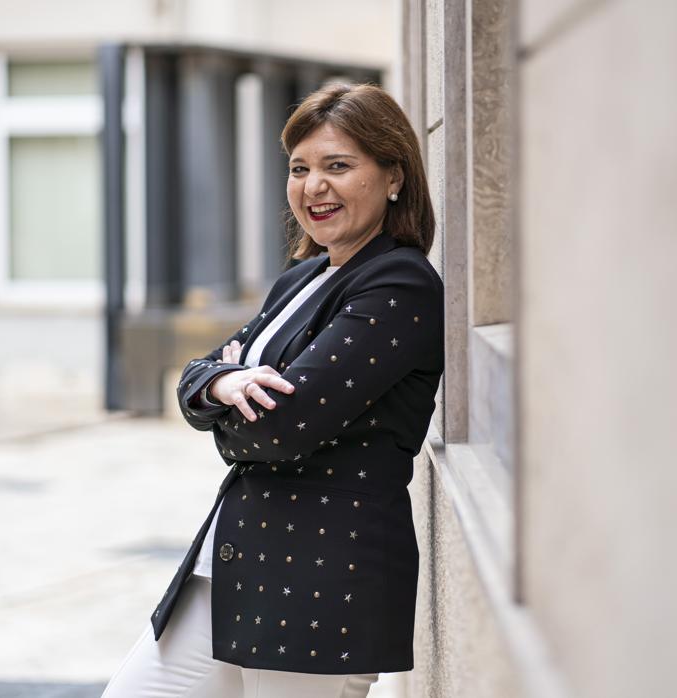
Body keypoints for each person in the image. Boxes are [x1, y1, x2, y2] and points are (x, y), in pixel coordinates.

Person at [101, 82, 444, 697]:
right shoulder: (303, 276)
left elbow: (279, 427)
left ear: (393, 177)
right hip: (229, 574)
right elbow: (197, 376)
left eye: (338, 166)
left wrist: (229, 401)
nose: (314, 187)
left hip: (318, 588)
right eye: (299, 168)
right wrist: (225, 381)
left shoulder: (399, 284)